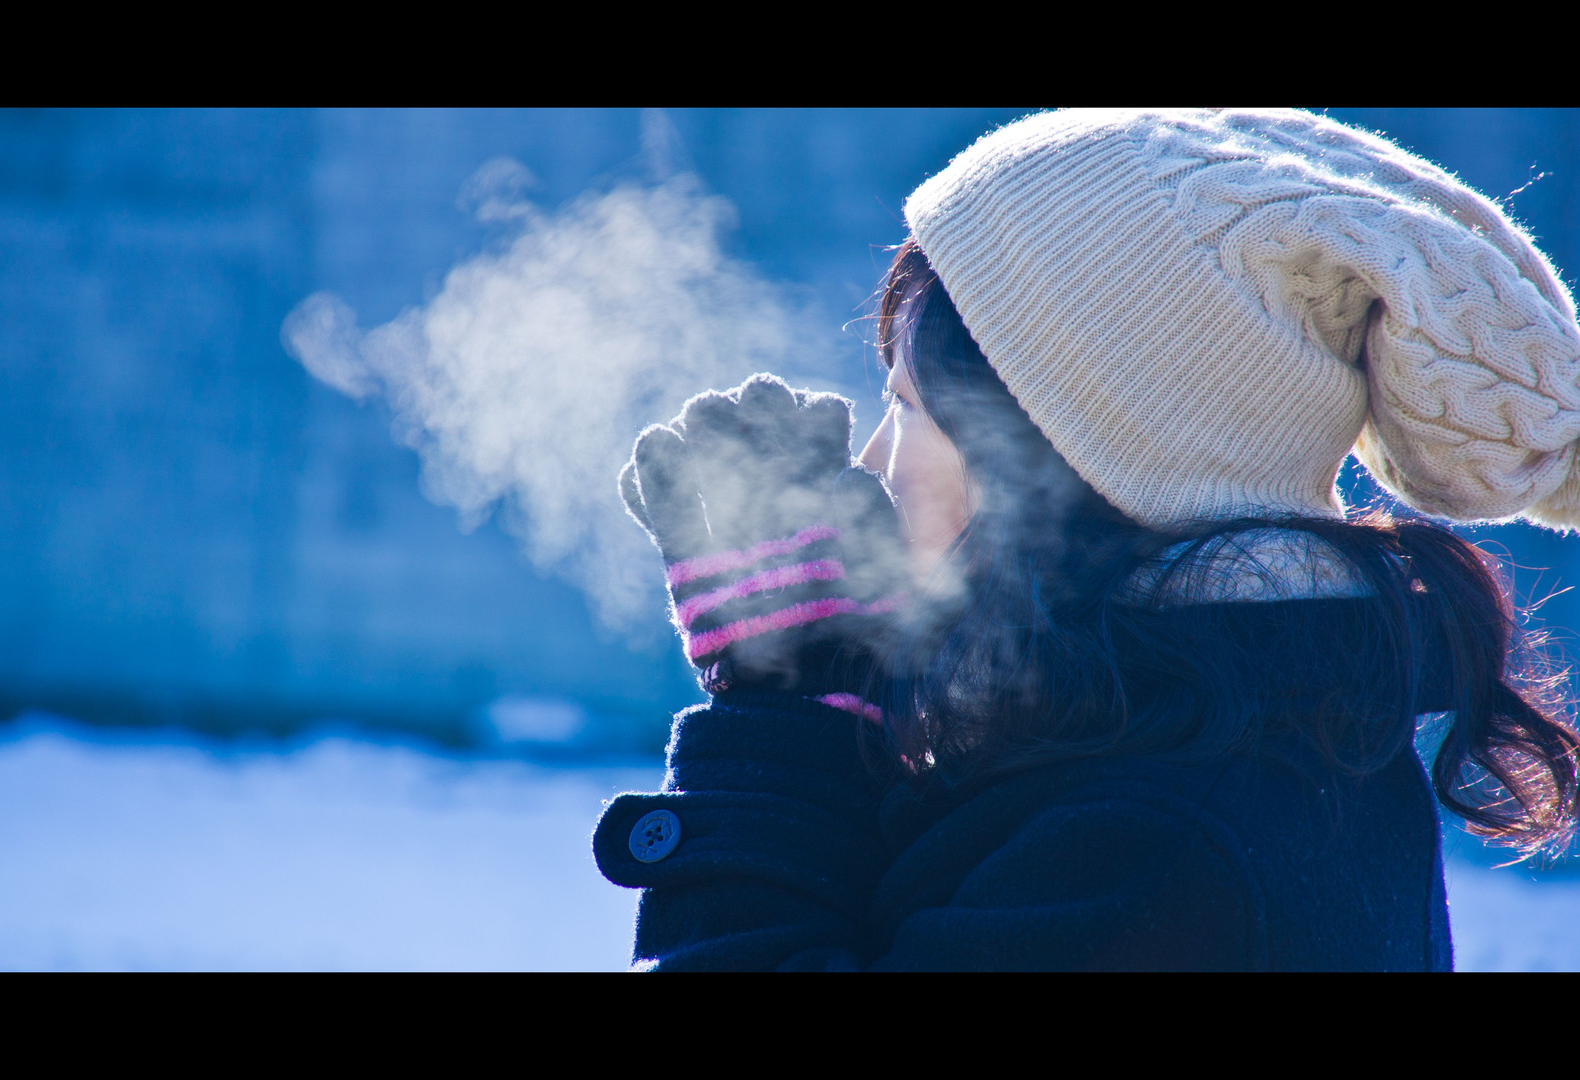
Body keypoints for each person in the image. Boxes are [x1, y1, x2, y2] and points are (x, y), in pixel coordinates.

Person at [593, 109, 1580, 970]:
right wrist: (844, 689)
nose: (872, 462)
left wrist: (779, 715)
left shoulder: (1154, 844)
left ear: (1074, 458)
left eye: (910, 408)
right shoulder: (1210, 740)